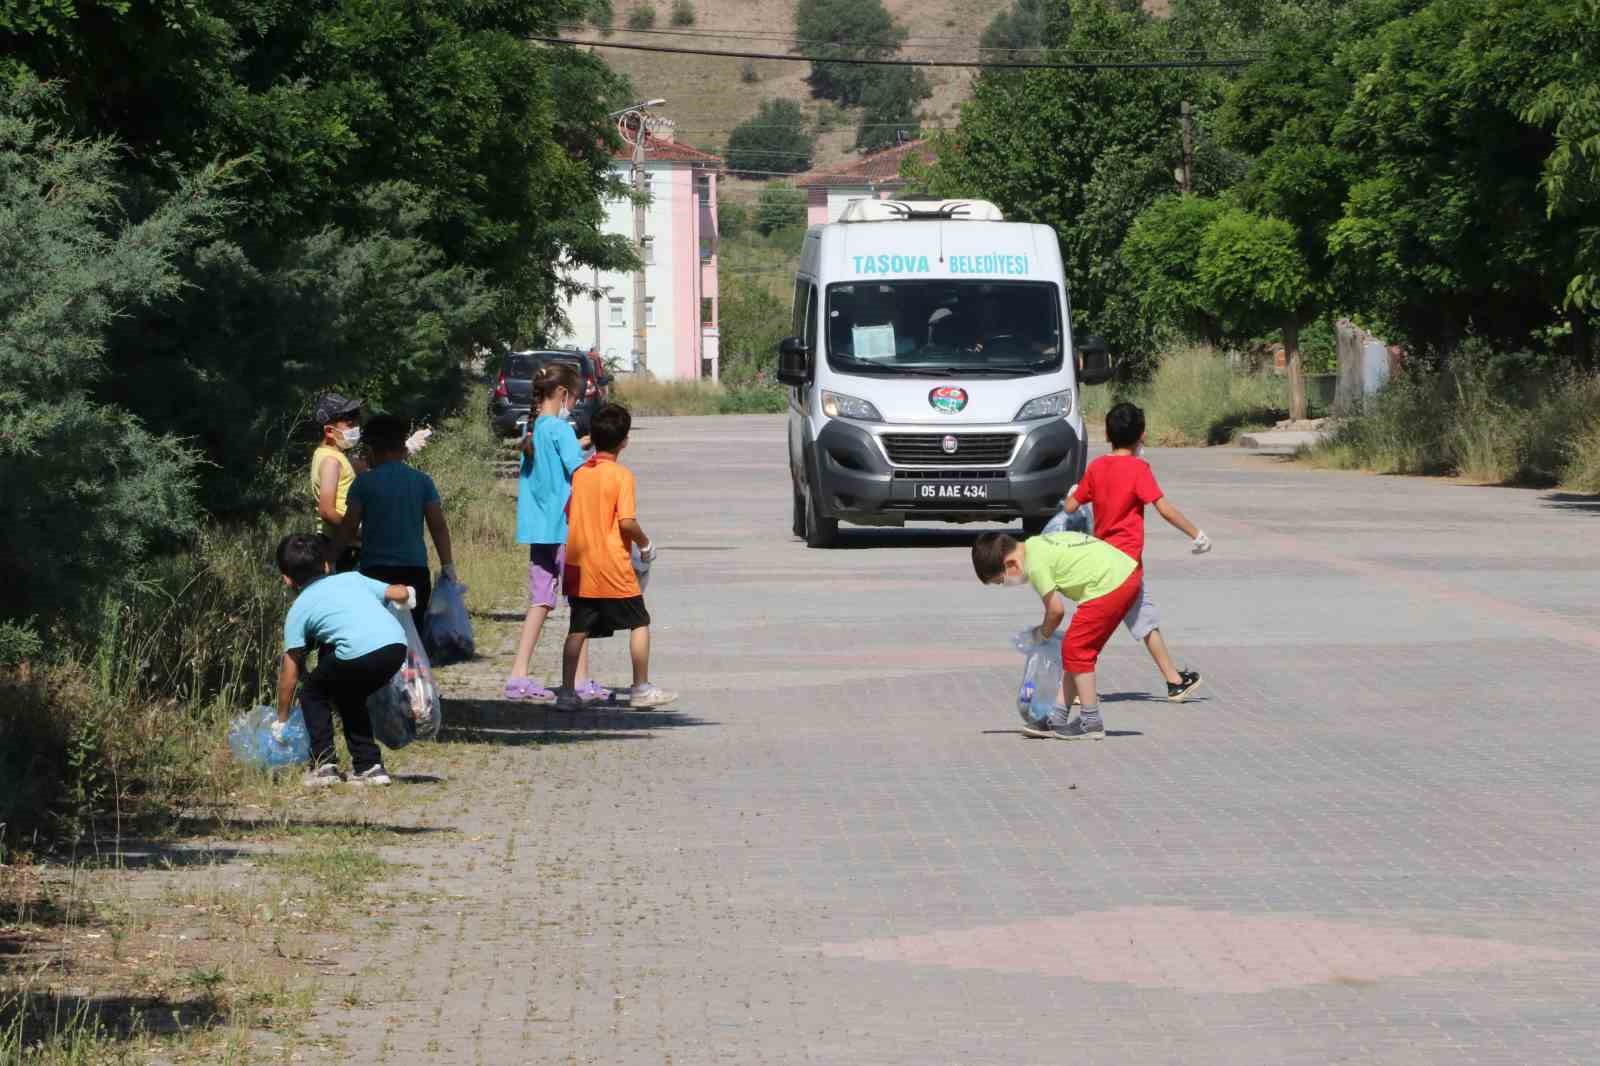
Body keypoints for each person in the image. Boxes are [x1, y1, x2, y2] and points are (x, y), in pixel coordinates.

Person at [1064, 401, 1211, 702]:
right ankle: (1078, 686)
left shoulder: (1096, 468)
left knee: (1143, 619)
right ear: (1141, 435)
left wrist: (1070, 496)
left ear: (1106, 434)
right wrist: (1196, 534)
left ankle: (1174, 681)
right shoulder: (1138, 470)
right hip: (1125, 566)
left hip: (1100, 562)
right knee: (1103, 627)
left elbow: (1071, 506)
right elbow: (1165, 509)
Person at [558, 403, 676, 710]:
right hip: (612, 564)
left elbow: (569, 513)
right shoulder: (622, 476)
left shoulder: (581, 473)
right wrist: (645, 543)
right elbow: (626, 521)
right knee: (639, 621)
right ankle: (640, 687)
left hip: (579, 564)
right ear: (624, 440)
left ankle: (567, 693)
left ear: (593, 437)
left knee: (577, 630)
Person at [273, 533, 413, 787]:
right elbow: (398, 592)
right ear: (326, 566)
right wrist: (406, 594)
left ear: (286, 580)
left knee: (313, 693)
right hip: (395, 647)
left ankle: (324, 765)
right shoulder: (353, 578)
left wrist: (281, 719)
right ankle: (369, 766)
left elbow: (290, 675)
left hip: (357, 653)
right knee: (349, 694)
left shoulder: (298, 609)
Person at [974, 529, 1143, 740]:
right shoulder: (1034, 545)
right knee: (1072, 649)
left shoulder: (1034, 565)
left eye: (1001, 581)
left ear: (1011, 565)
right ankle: (1057, 717)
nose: (1005, 585)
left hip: (1112, 582)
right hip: (1122, 575)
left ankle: (1091, 722)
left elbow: (1055, 611)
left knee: (1077, 649)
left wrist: (1041, 635)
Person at [505, 364, 603, 703]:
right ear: (562, 394)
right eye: (574, 399)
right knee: (580, 603)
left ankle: (518, 674)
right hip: (565, 529)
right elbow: (580, 473)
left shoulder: (534, 432)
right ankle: (580, 680)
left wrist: (580, 444)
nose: (573, 406)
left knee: (541, 600)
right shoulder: (560, 430)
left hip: (538, 530)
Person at [330, 414, 453, 634]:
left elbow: (348, 528)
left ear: (373, 449)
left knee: (379, 636)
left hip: (375, 574)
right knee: (413, 636)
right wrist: (447, 566)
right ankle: (414, 669)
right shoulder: (422, 481)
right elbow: (438, 527)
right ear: (401, 447)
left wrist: (329, 559)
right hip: (414, 571)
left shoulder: (364, 483)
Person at [310, 393, 366, 572]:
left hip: (345, 541)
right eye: (350, 424)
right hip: (342, 545)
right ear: (329, 431)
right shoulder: (331, 462)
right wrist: (356, 531)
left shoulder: (334, 455)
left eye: (356, 423)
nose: (356, 428)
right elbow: (326, 511)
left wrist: (406, 448)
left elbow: (367, 466)